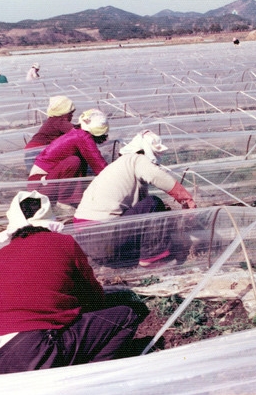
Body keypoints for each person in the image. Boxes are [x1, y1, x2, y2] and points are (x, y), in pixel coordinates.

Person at [0, 190, 146, 375]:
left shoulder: (2, 254)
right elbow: (93, 296)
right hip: (29, 352)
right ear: (48, 220)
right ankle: (88, 381)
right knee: (126, 317)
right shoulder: (63, 243)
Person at [73, 130, 196, 267]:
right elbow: (158, 176)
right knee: (153, 203)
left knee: (149, 207)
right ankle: (152, 259)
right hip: (103, 234)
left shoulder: (118, 167)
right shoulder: (135, 159)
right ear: (143, 151)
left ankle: (118, 258)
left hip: (84, 239)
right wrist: (186, 199)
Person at [28, 108, 109, 214]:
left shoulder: (77, 132)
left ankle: (69, 200)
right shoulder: (82, 137)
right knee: (74, 161)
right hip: (39, 185)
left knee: (78, 160)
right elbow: (98, 164)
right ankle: (64, 204)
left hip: (43, 182)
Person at [24, 96, 77, 172]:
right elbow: (76, 132)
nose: (72, 116)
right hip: (38, 151)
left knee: (37, 175)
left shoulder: (51, 120)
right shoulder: (59, 121)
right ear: (63, 112)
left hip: (31, 152)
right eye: (70, 113)